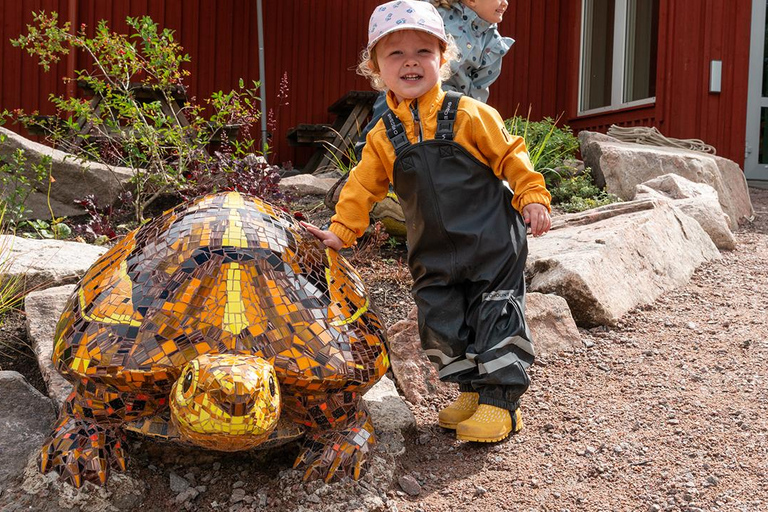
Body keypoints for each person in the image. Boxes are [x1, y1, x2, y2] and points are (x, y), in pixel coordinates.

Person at [304, 0, 551, 443]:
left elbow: (511, 153)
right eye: (395, 53)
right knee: (443, 320)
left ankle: (502, 403)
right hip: (433, 253)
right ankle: (473, 391)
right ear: (375, 68)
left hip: (491, 241)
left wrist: (531, 195)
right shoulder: (383, 136)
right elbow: (362, 187)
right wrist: (342, 231)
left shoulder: (469, 114)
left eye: (423, 51)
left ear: (443, 58)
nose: (410, 62)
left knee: (495, 312)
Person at [355, 0, 514, 157]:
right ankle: (368, 155)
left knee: (439, 143)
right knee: (389, 117)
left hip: (449, 103)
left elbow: (480, 84)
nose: (505, 3)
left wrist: (473, 120)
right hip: (406, 86)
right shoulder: (437, 13)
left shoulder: (493, 43)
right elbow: (407, 29)